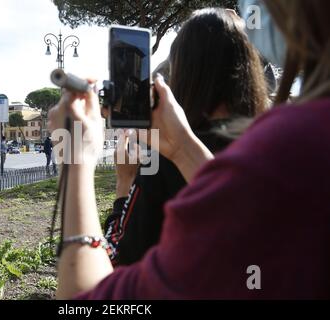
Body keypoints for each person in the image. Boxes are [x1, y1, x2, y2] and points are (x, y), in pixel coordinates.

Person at [49, 0, 330, 299]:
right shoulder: (271, 142)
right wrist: (183, 147)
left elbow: (100, 284)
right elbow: (251, 226)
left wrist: (81, 162)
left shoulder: (286, 147)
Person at [105, 8, 268, 267]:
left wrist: (124, 180)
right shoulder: (277, 142)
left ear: (184, 71)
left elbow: (118, 259)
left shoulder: (168, 160)